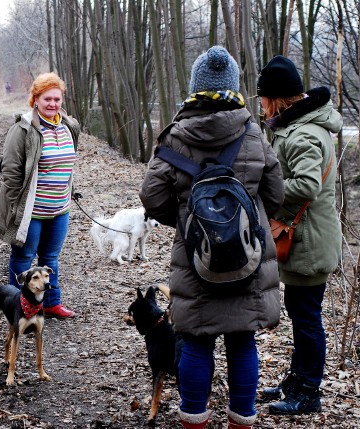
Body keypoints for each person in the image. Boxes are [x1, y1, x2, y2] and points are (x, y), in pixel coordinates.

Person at [139, 46, 284, 429]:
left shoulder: (175, 136)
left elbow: (151, 197)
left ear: (195, 88)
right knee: (241, 342)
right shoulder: (253, 134)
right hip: (248, 258)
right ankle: (241, 420)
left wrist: (188, 222)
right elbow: (276, 195)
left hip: (195, 260)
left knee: (197, 341)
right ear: (233, 87)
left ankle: (194, 421)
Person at [257, 55, 342, 415]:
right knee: (300, 311)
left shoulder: (304, 132)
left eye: (262, 97)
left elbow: (306, 184)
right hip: (305, 238)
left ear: (276, 98)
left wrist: (266, 186)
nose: (259, 104)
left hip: (309, 241)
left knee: (307, 317)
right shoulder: (296, 127)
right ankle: (298, 378)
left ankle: (309, 391)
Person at [0, 72, 80, 319]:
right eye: (47, 99)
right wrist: (15, 204)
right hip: (32, 211)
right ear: (35, 100)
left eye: (57, 99)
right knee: (24, 257)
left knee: (51, 258)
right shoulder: (23, 129)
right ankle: (21, 306)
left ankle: (51, 303)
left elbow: (68, 165)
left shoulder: (69, 127)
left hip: (60, 208)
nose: (53, 104)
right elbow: (10, 169)